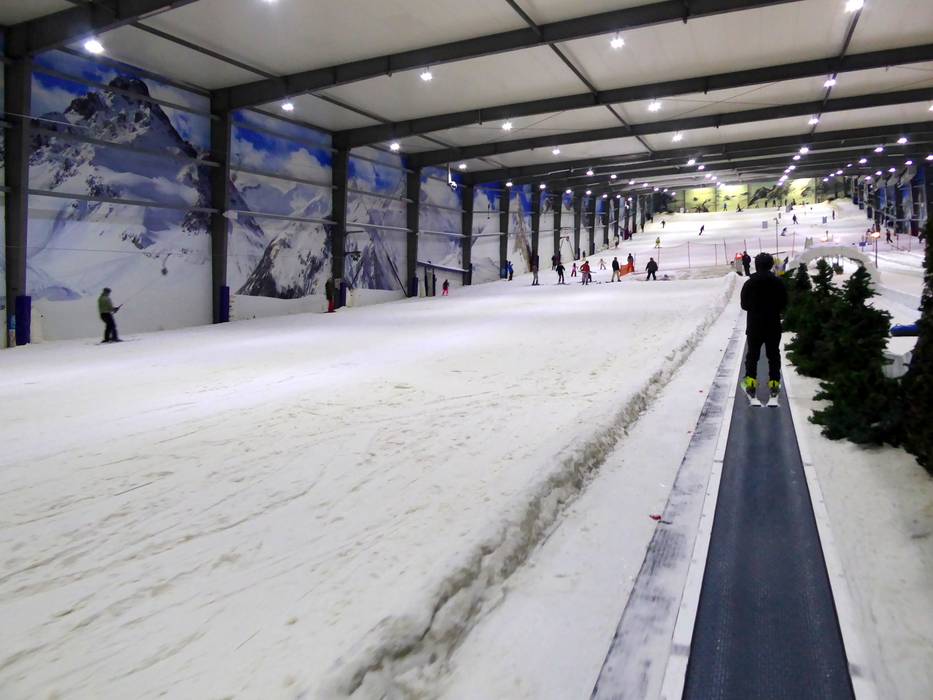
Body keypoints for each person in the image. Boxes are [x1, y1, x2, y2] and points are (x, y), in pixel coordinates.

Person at [740, 253, 788, 401]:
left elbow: (744, 305)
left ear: (756, 265)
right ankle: (774, 384)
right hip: (773, 325)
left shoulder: (749, 284)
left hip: (754, 326)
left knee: (752, 356)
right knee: (773, 355)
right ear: (771, 265)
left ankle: (751, 384)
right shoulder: (778, 283)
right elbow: (784, 303)